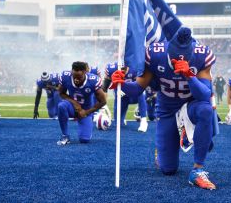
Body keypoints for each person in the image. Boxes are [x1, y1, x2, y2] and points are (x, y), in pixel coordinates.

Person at [111, 27, 218, 190]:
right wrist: (122, 84)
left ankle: (198, 170)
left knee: (206, 110)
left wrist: (189, 75)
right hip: (167, 110)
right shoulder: (155, 54)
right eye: (175, 56)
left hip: (192, 106)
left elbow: (204, 95)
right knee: (168, 170)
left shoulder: (201, 54)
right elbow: (137, 89)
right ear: (168, 50)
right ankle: (168, 145)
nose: (179, 59)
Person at [57, 61, 106, 145]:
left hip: (86, 110)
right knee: (61, 106)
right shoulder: (65, 76)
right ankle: (65, 135)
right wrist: (74, 103)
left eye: (79, 77)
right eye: (74, 76)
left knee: (84, 140)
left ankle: (86, 122)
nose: (76, 79)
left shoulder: (93, 80)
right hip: (72, 107)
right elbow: (61, 93)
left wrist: (86, 112)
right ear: (71, 71)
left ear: (85, 72)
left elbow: (103, 101)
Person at [103, 62, 148, 132]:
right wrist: (103, 105)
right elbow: (104, 88)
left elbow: (141, 86)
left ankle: (143, 121)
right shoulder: (111, 69)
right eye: (121, 69)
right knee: (117, 124)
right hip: (122, 96)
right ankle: (120, 120)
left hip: (134, 94)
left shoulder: (135, 69)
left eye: (124, 69)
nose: (123, 71)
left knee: (141, 94)